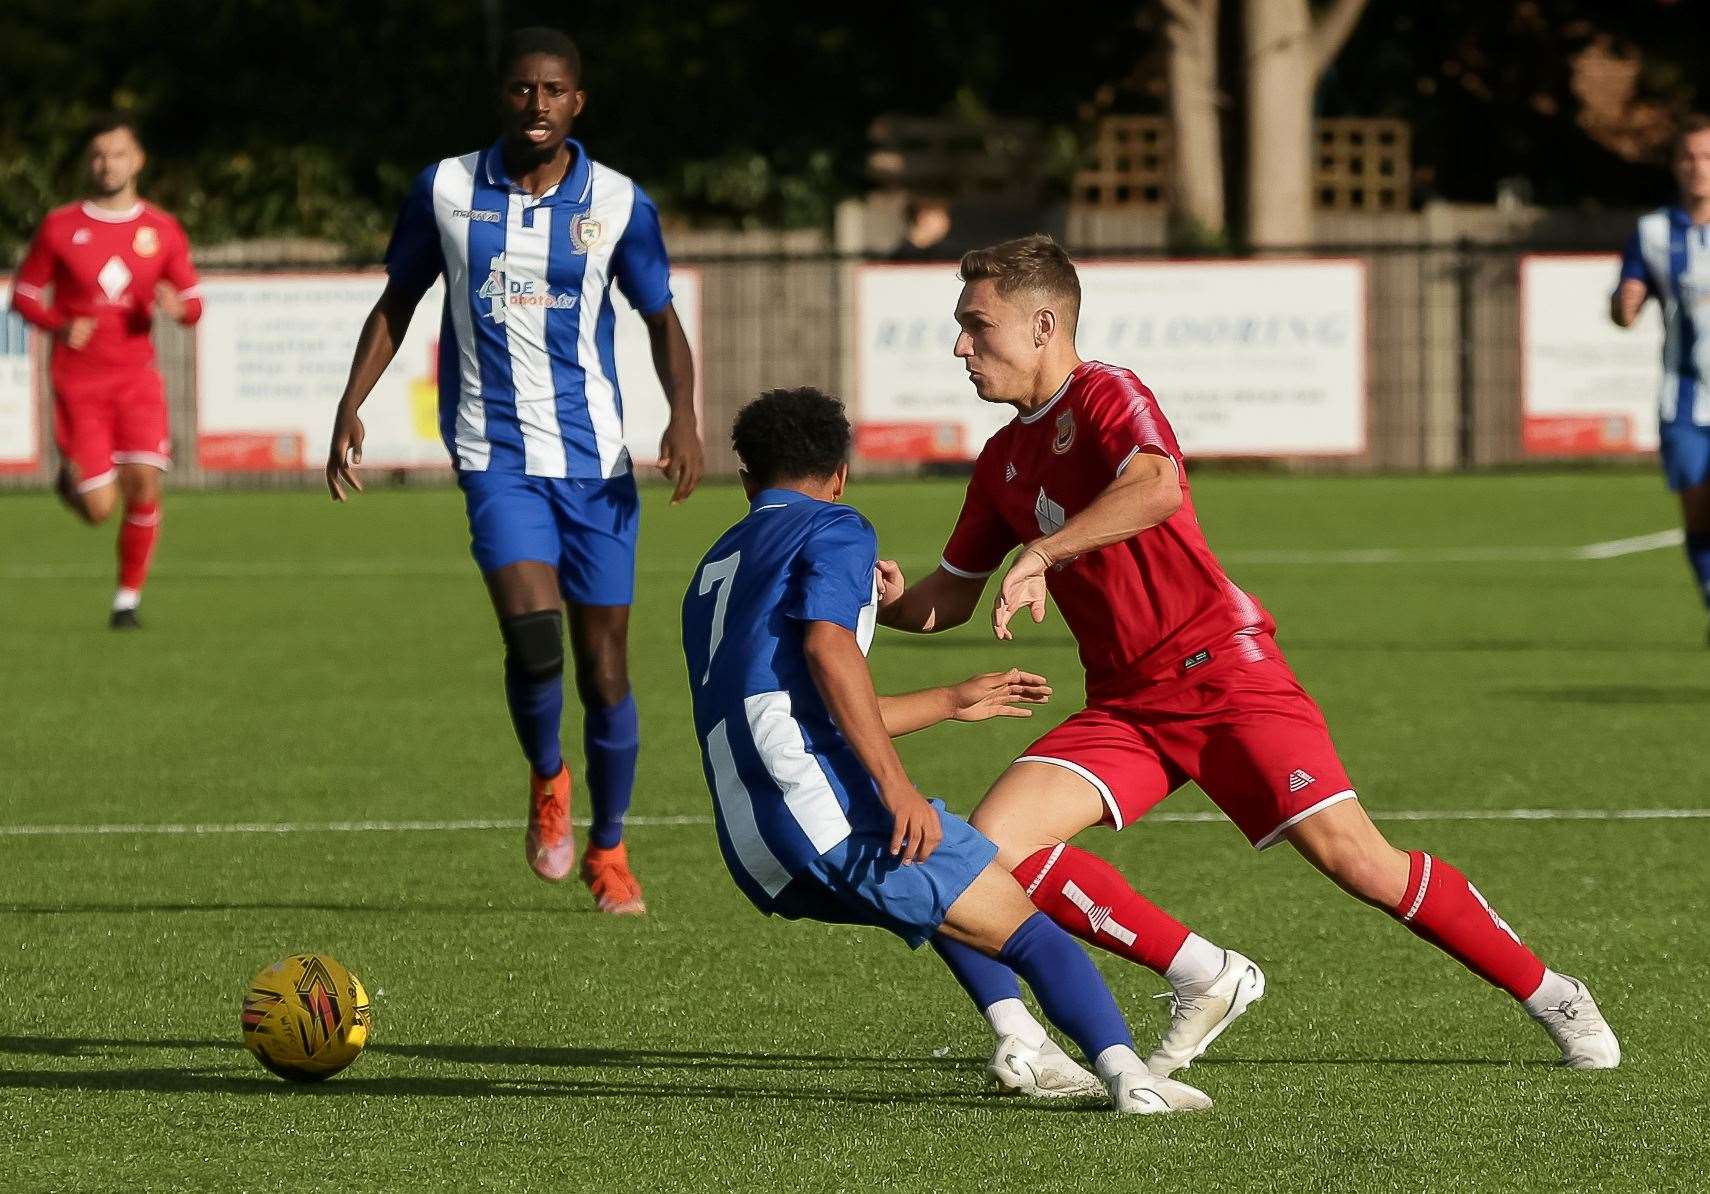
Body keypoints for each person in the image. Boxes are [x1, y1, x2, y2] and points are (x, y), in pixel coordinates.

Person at [877, 234, 1621, 1075]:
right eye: (959, 329)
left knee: (1359, 863)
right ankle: (1203, 973)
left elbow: (1158, 486)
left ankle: (1551, 990)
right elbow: (949, 596)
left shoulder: (1107, 394)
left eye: (978, 326)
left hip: (1223, 672)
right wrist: (879, 597)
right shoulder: (1002, 461)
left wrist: (1046, 553)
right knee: (990, 848)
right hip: (1126, 703)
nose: (961, 348)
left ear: (1044, 324)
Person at [681, 386, 1212, 1113]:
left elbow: (783, 706)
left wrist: (950, 701)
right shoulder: (836, 527)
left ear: (746, 479)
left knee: (945, 895)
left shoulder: (717, 568)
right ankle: (1134, 1081)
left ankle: (1021, 1038)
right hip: (819, 803)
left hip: (751, 830)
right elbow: (828, 649)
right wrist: (895, 789)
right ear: (840, 474)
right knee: (1027, 926)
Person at [325, 27, 704, 913]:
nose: (537, 104)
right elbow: (397, 301)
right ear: (503, 97)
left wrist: (683, 417)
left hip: (597, 467)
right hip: (495, 458)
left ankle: (610, 849)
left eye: (554, 90)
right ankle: (547, 778)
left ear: (579, 102)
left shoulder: (615, 201)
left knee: (605, 669)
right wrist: (352, 400)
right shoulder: (447, 189)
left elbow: (661, 318)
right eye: (522, 89)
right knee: (534, 643)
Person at [11, 116, 202, 629]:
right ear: (88, 163)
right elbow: (24, 294)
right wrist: (56, 323)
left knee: (144, 482)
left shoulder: (160, 228)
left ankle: (126, 601)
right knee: (98, 509)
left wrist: (178, 307)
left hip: (137, 381)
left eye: (118, 154)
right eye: (98, 155)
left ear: (138, 160)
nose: (108, 163)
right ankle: (71, 484)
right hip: (78, 383)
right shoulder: (60, 226)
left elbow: (193, 302)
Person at [1612, 112, 1710, 640]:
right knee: (1699, 514)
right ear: (1675, 165)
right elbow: (1623, 302)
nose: (1699, 168)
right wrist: (1623, 304)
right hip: (1685, 398)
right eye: (1689, 157)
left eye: (1708, 157)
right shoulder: (1652, 233)